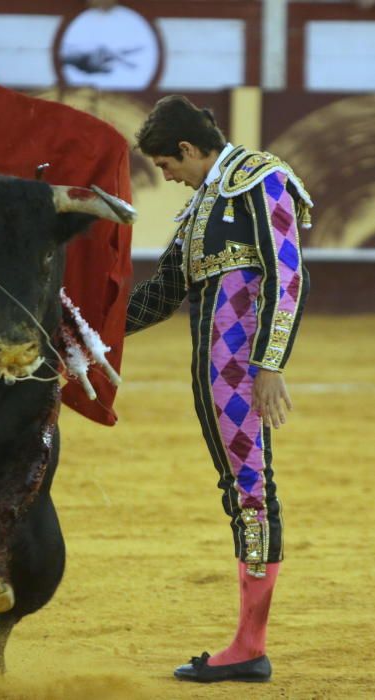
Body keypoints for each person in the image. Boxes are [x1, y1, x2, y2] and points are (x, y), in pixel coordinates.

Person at [126, 95, 311, 683]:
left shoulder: (261, 178)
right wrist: (76, 325)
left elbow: (287, 271)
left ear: (185, 148)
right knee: (240, 487)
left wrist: (269, 363)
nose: (169, 178)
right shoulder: (207, 201)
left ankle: (249, 647)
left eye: (167, 166)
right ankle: (247, 642)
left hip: (241, 374)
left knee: (252, 490)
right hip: (216, 374)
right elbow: (160, 294)